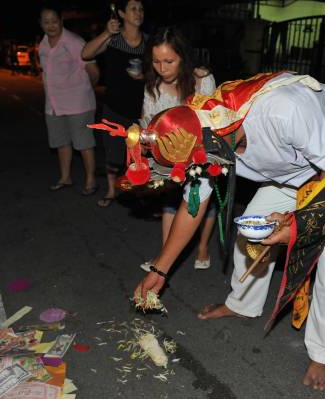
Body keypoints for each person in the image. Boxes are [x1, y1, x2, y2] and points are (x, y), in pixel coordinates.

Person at [133, 72, 325, 391]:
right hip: (301, 167)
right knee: (252, 225)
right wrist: (160, 269)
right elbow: (194, 205)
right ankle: (243, 304)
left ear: (219, 136)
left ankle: (323, 353)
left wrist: (296, 225)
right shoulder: (202, 135)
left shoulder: (283, 111)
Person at [139, 26, 217, 270]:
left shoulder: (203, 80)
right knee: (171, 201)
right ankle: (165, 259)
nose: (162, 69)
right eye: (156, 62)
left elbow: (216, 121)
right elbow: (147, 122)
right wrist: (139, 137)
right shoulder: (153, 86)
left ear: (183, 57)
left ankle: (203, 248)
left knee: (203, 202)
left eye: (169, 61)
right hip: (169, 154)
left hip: (203, 152)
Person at [81, 0, 146, 208]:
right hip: (114, 106)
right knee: (113, 153)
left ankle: (136, 190)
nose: (138, 12)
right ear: (121, 13)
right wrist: (106, 33)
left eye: (141, 9)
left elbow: (159, 71)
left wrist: (143, 76)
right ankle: (111, 191)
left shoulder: (148, 42)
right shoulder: (113, 40)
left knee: (138, 153)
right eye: (133, 8)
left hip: (141, 108)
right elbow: (85, 53)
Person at [38, 4, 100, 195]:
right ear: (40, 24)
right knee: (61, 143)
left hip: (78, 104)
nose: (51, 25)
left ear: (61, 21)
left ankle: (91, 180)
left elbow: (93, 70)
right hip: (54, 105)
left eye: (54, 21)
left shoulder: (74, 41)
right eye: (46, 22)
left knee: (84, 143)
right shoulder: (43, 44)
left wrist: (86, 90)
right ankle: (65, 178)